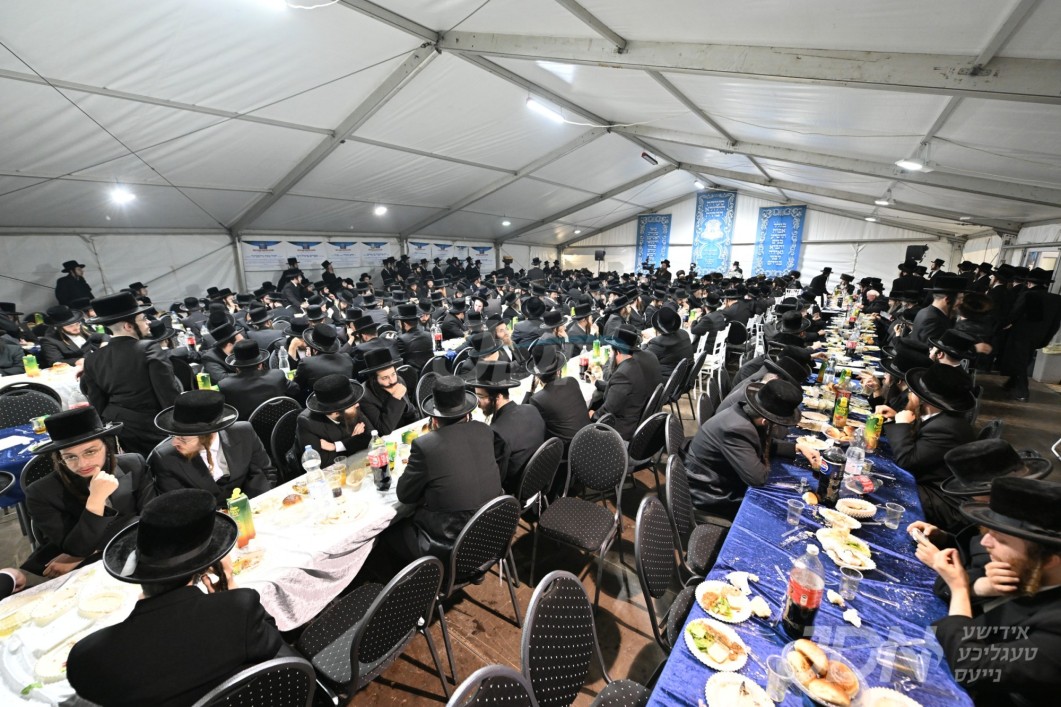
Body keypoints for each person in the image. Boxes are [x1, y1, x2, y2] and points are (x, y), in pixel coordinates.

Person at [67, 488, 286, 707]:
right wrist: (230, 591)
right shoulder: (239, 609)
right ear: (207, 566)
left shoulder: (88, 658)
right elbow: (271, 643)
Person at [925, 477, 1061, 707]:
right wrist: (981, 587)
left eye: (1001, 540)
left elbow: (972, 667)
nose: (985, 542)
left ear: (1049, 561)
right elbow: (943, 585)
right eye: (989, 532)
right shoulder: (1025, 566)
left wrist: (960, 590)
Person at [378, 376, 504, 567]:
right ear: (467, 413)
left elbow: (404, 495)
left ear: (435, 419)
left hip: (450, 548)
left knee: (387, 533)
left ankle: (418, 582)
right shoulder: (484, 430)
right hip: (494, 533)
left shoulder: (425, 446)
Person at [25, 407, 155, 578]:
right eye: (70, 457)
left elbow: (152, 521)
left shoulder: (134, 464)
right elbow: (77, 548)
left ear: (107, 446)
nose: (82, 464)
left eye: (90, 452)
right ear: (60, 457)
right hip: (85, 571)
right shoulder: (40, 493)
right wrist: (96, 500)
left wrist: (91, 551)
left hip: (138, 552)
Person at [685, 379, 821, 519]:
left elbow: (759, 444)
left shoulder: (745, 411)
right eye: (777, 423)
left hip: (721, 475)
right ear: (765, 421)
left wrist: (797, 447)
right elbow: (757, 478)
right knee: (776, 511)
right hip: (710, 490)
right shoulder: (736, 429)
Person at [80, 293, 181, 455]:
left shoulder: (92, 358)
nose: (148, 322)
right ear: (128, 326)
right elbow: (167, 393)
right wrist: (180, 427)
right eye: (143, 319)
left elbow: (97, 403)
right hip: (152, 428)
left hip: (118, 428)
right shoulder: (148, 348)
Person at [884, 363, 978, 526]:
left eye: (914, 389)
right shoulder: (937, 416)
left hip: (944, 500)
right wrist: (896, 418)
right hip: (928, 481)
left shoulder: (946, 428)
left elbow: (906, 460)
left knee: (883, 487)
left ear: (924, 397)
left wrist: (902, 425)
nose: (910, 391)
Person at [149, 390, 275, 507]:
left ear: (209, 435)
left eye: (183, 439)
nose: (174, 443)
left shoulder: (244, 432)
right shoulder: (165, 458)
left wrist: (254, 506)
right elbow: (178, 505)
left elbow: (266, 473)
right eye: (173, 436)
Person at [466, 360, 544, 492]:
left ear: (498, 397)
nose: (477, 403)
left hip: (515, 491)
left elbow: (495, 479)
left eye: (480, 396)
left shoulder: (498, 433)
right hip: (539, 479)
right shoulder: (531, 409)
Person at [589, 324, 661, 440]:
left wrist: (593, 415)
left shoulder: (623, 374)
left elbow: (607, 410)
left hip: (621, 429)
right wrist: (597, 382)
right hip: (635, 417)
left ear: (617, 352)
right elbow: (618, 390)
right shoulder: (633, 365)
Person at [293, 374, 372, 469]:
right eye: (352, 405)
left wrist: (336, 446)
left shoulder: (352, 407)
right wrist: (354, 442)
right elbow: (321, 462)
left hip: (355, 462)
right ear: (336, 412)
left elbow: (371, 436)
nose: (357, 405)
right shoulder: (307, 422)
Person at [217, 339, 301, 419]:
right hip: (281, 424)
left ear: (236, 367)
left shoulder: (225, 385)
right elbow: (295, 389)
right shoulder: (277, 375)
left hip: (249, 428)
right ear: (260, 364)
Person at [358, 347, 420, 436]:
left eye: (393, 374)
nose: (392, 381)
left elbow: (412, 413)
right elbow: (384, 430)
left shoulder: (399, 380)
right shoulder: (365, 397)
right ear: (374, 379)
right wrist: (395, 398)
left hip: (408, 430)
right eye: (385, 378)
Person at [292, 323, 353, 397]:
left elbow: (296, 388)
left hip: (319, 401)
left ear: (312, 346)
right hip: (347, 399)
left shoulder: (307, 363)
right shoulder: (347, 358)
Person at [909, 274, 966, 344]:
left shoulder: (927, 312)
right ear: (947, 299)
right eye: (960, 298)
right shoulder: (933, 320)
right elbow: (931, 349)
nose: (962, 302)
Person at [644, 307, 693, 381]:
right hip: (685, 379)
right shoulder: (684, 333)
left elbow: (643, 358)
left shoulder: (659, 343)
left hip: (668, 382)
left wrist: (644, 344)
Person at [393, 302, 433, 372]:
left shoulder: (402, 339)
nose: (399, 324)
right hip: (428, 374)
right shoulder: (428, 335)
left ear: (404, 324)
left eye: (399, 322)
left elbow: (400, 361)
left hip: (412, 376)